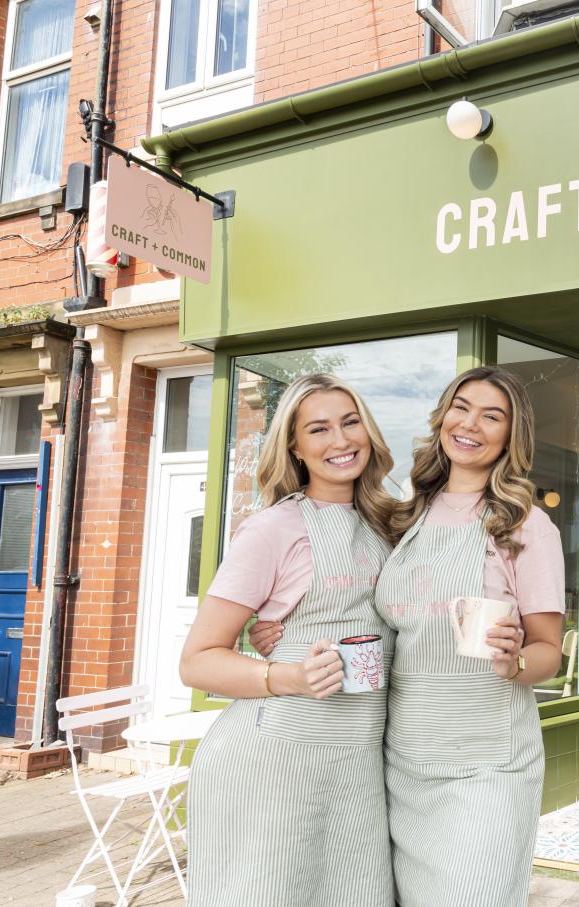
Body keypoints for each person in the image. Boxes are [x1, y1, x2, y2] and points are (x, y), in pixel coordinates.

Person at [180, 373, 399, 907]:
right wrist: (289, 674)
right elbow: (197, 662)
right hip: (277, 760)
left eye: (350, 423)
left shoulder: (389, 526)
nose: (340, 440)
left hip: (357, 760)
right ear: (295, 447)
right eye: (318, 429)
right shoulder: (271, 530)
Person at [379, 366, 564, 907]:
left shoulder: (525, 525)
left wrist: (514, 663)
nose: (470, 424)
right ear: (443, 417)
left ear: (510, 436)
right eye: (461, 408)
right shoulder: (403, 516)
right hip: (405, 758)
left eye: (491, 416)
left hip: (487, 764)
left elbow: (548, 651)